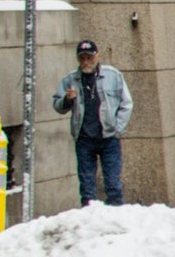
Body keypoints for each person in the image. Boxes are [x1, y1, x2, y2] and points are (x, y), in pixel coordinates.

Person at [55, 38, 132, 206]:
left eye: (89, 58)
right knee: (87, 188)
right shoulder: (71, 79)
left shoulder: (113, 75)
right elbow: (58, 105)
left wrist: (117, 128)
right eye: (82, 58)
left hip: (109, 137)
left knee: (113, 184)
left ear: (97, 56)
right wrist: (67, 100)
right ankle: (90, 221)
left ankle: (116, 218)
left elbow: (126, 103)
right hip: (84, 140)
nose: (86, 62)